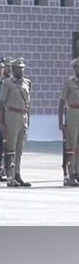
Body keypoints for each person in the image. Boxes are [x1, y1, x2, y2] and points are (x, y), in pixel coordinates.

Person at [0, 58, 32, 187]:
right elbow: (0, 103)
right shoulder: (7, 83)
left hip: (22, 116)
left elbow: (28, 103)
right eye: (19, 68)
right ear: (13, 69)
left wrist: (28, 119)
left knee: (19, 149)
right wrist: (0, 121)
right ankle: (10, 176)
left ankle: (17, 174)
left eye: (23, 68)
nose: (22, 70)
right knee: (11, 148)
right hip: (12, 115)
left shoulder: (26, 83)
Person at [58, 57, 79, 186]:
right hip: (72, 113)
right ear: (75, 68)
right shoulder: (69, 83)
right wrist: (60, 122)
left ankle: (77, 172)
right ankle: (70, 173)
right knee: (72, 144)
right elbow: (61, 102)